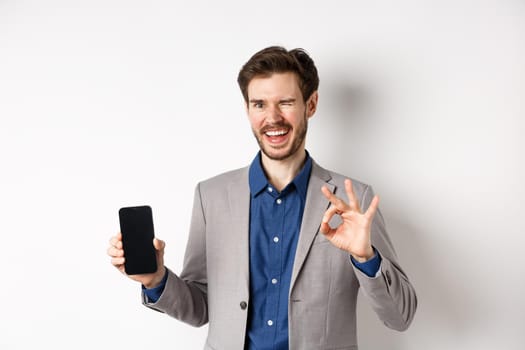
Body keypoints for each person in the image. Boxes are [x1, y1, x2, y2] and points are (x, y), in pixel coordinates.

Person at [108, 46, 417, 350]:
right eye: (259, 104)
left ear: (311, 105)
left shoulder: (354, 198)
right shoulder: (211, 196)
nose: (273, 118)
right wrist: (155, 278)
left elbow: (400, 317)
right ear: (247, 109)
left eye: (285, 102)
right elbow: (200, 307)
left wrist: (366, 258)